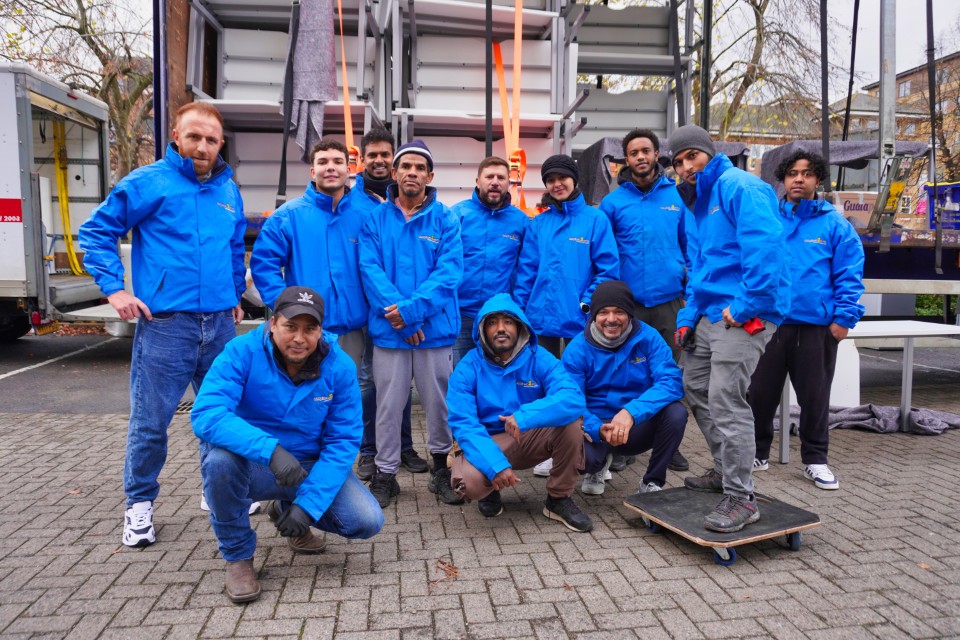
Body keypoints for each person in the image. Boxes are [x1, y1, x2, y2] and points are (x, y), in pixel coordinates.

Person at [79, 102, 247, 548]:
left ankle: (216, 490)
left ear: (221, 143)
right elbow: (96, 232)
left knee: (222, 414)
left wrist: (233, 293)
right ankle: (139, 505)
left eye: (211, 139)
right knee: (151, 423)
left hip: (219, 325)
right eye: (194, 137)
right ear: (176, 136)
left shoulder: (229, 191)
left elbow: (234, 247)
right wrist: (114, 289)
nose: (202, 146)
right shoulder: (147, 182)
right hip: (166, 326)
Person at [192, 286, 383, 604]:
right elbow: (207, 413)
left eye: (310, 329)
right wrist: (269, 450)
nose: (299, 338)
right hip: (252, 462)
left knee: (367, 520)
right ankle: (238, 556)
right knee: (219, 463)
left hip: (307, 467)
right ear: (272, 324)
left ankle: (287, 507)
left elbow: (343, 441)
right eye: (290, 326)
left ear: (321, 330)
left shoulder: (339, 367)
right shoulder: (241, 352)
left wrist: (307, 508)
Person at [669, 124, 790, 533]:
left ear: (709, 152)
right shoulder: (697, 204)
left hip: (745, 312)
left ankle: (741, 497)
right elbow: (699, 268)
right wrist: (687, 318)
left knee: (725, 398)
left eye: (692, 156)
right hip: (711, 312)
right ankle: (724, 470)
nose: (686, 167)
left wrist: (745, 306)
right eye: (679, 161)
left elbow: (766, 249)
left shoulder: (740, 186)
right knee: (694, 387)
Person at [749, 150, 865, 490]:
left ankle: (815, 461)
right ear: (783, 180)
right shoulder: (767, 219)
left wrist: (843, 319)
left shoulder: (835, 225)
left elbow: (849, 274)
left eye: (807, 173)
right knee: (759, 395)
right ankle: (756, 453)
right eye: (792, 173)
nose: (799, 179)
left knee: (815, 399)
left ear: (818, 180)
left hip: (816, 328)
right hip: (769, 324)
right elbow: (749, 263)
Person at [358, 139, 464, 508]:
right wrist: (402, 321)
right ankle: (386, 473)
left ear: (430, 176)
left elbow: (448, 274)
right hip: (390, 333)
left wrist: (411, 313)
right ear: (395, 172)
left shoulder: (446, 219)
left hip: (434, 331)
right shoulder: (375, 219)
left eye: (420, 168)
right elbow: (370, 271)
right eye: (406, 166)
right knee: (388, 405)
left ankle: (441, 469)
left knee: (439, 404)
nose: (412, 173)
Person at [446, 293, 593, 532]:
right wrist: (495, 465)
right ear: (482, 329)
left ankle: (558, 499)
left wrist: (524, 417)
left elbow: (573, 397)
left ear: (519, 326)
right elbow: (464, 425)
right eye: (492, 323)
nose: (500, 329)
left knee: (571, 422)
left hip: (530, 433)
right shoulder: (467, 368)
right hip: (489, 440)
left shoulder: (539, 357)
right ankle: (490, 491)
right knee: (469, 482)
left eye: (508, 322)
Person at [598, 128, 692, 473]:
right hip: (629, 307)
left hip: (669, 302)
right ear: (626, 159)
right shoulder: (612, 203)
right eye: (634, 152)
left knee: (667, 373)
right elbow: (603, 254)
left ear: (656, 155)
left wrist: (689, 290)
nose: (640, 157)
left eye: (646, 151)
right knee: (627, 374)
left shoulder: (678, 196)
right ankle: (627, 442)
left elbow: (690, 247)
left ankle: (669, 440)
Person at [561, 281, 687, 496]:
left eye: (619, 311)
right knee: (584, 460)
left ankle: (651, 482)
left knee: (676, 413)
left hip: (634, 425)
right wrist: (596, 428)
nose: (611, 319)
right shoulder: (577, 349)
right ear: (593, 315)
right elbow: (570, 400)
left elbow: (671, 381)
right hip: (594, 427)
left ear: (630, 313)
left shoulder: (649, 338)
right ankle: (597, 467)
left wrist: (630, 413)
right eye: (603, 312)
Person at [250, 137, 368, 366]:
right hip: (304, 331)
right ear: (313, 172)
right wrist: (288, 308)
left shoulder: (363, 217)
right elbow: (264, 265)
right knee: (303, 385)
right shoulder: (288, 216)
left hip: (353, 331)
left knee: (347, 385)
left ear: (348, 169)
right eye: (323, 162)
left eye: (338, 161)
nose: (331, 167)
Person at [351, 129, 426, 479]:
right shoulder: (351, 203)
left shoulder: (413, 201)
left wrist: (407, 314)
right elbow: (367, 266)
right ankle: (370, 450)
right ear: (362, 160)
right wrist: (398, 313)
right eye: (373, 155)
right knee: (369, 382)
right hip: (367, 309)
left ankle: (404, 446)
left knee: (400, 383)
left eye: (385, 154)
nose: (379, 160)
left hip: (403, 311)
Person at [513, 154, 619, 358]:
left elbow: (608, 271)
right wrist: (519, 310)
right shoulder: (538, 223)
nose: (557, 184)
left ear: (574, 179)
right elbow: (527, 272)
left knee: (579, 373)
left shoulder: (595, 220)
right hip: (540, 319)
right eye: (550, 180)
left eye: (562, 177)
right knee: (542, 373)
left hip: (580, 319)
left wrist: (586, 304)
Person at [451, 157, 530, 366]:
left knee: (496, 375)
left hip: (499, 316)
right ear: (478, 181)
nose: (495, 182)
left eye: (501, 178)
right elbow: (443, 263)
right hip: (460, 315)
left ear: (508, 183)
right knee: (459, 374)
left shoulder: (520, 221)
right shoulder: (456, 215)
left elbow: (526, 270)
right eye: (489, 177)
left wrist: (517, 307)